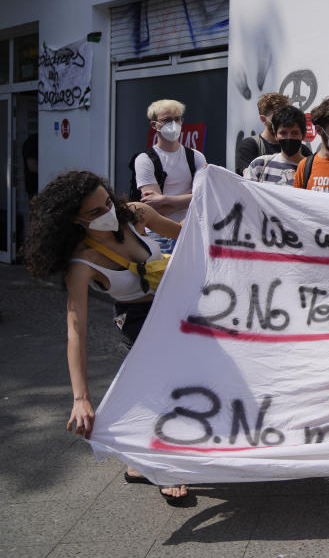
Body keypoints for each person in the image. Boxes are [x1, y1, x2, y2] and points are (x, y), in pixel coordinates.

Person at [23, 170, 188, 504]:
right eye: (95, 212)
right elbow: (76, 329)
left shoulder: (136, 214)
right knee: (163, 385)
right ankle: (161, 464)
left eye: (107, 202)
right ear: (74, 221)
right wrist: (81, 398)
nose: (108, 212)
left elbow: (188, 237)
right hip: (137, 320)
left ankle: (137, 465)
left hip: (177, 305)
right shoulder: (82, 263)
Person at [134, 99, 208, 254]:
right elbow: (156, 209)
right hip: (159, 234)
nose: (173, 124)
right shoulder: (145, 160)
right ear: (154, 125)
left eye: (177, 119)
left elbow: (204, 197)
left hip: (190, 230)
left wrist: (164, 199)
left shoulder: (196, 157)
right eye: (166, 120)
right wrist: (190, 197)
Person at [235, 93, 310, 174]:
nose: (282, 122)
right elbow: (250, 179)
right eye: (275, 119)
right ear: (263, 119)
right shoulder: (250, 146)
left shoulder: (302, 150)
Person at [243, 105, 308, 187]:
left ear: (303, 134)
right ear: (275, 134)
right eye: (283, 133)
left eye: (294, 133)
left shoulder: (311, 169)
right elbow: (244, 195)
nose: (289, 137)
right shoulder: (259, 165)